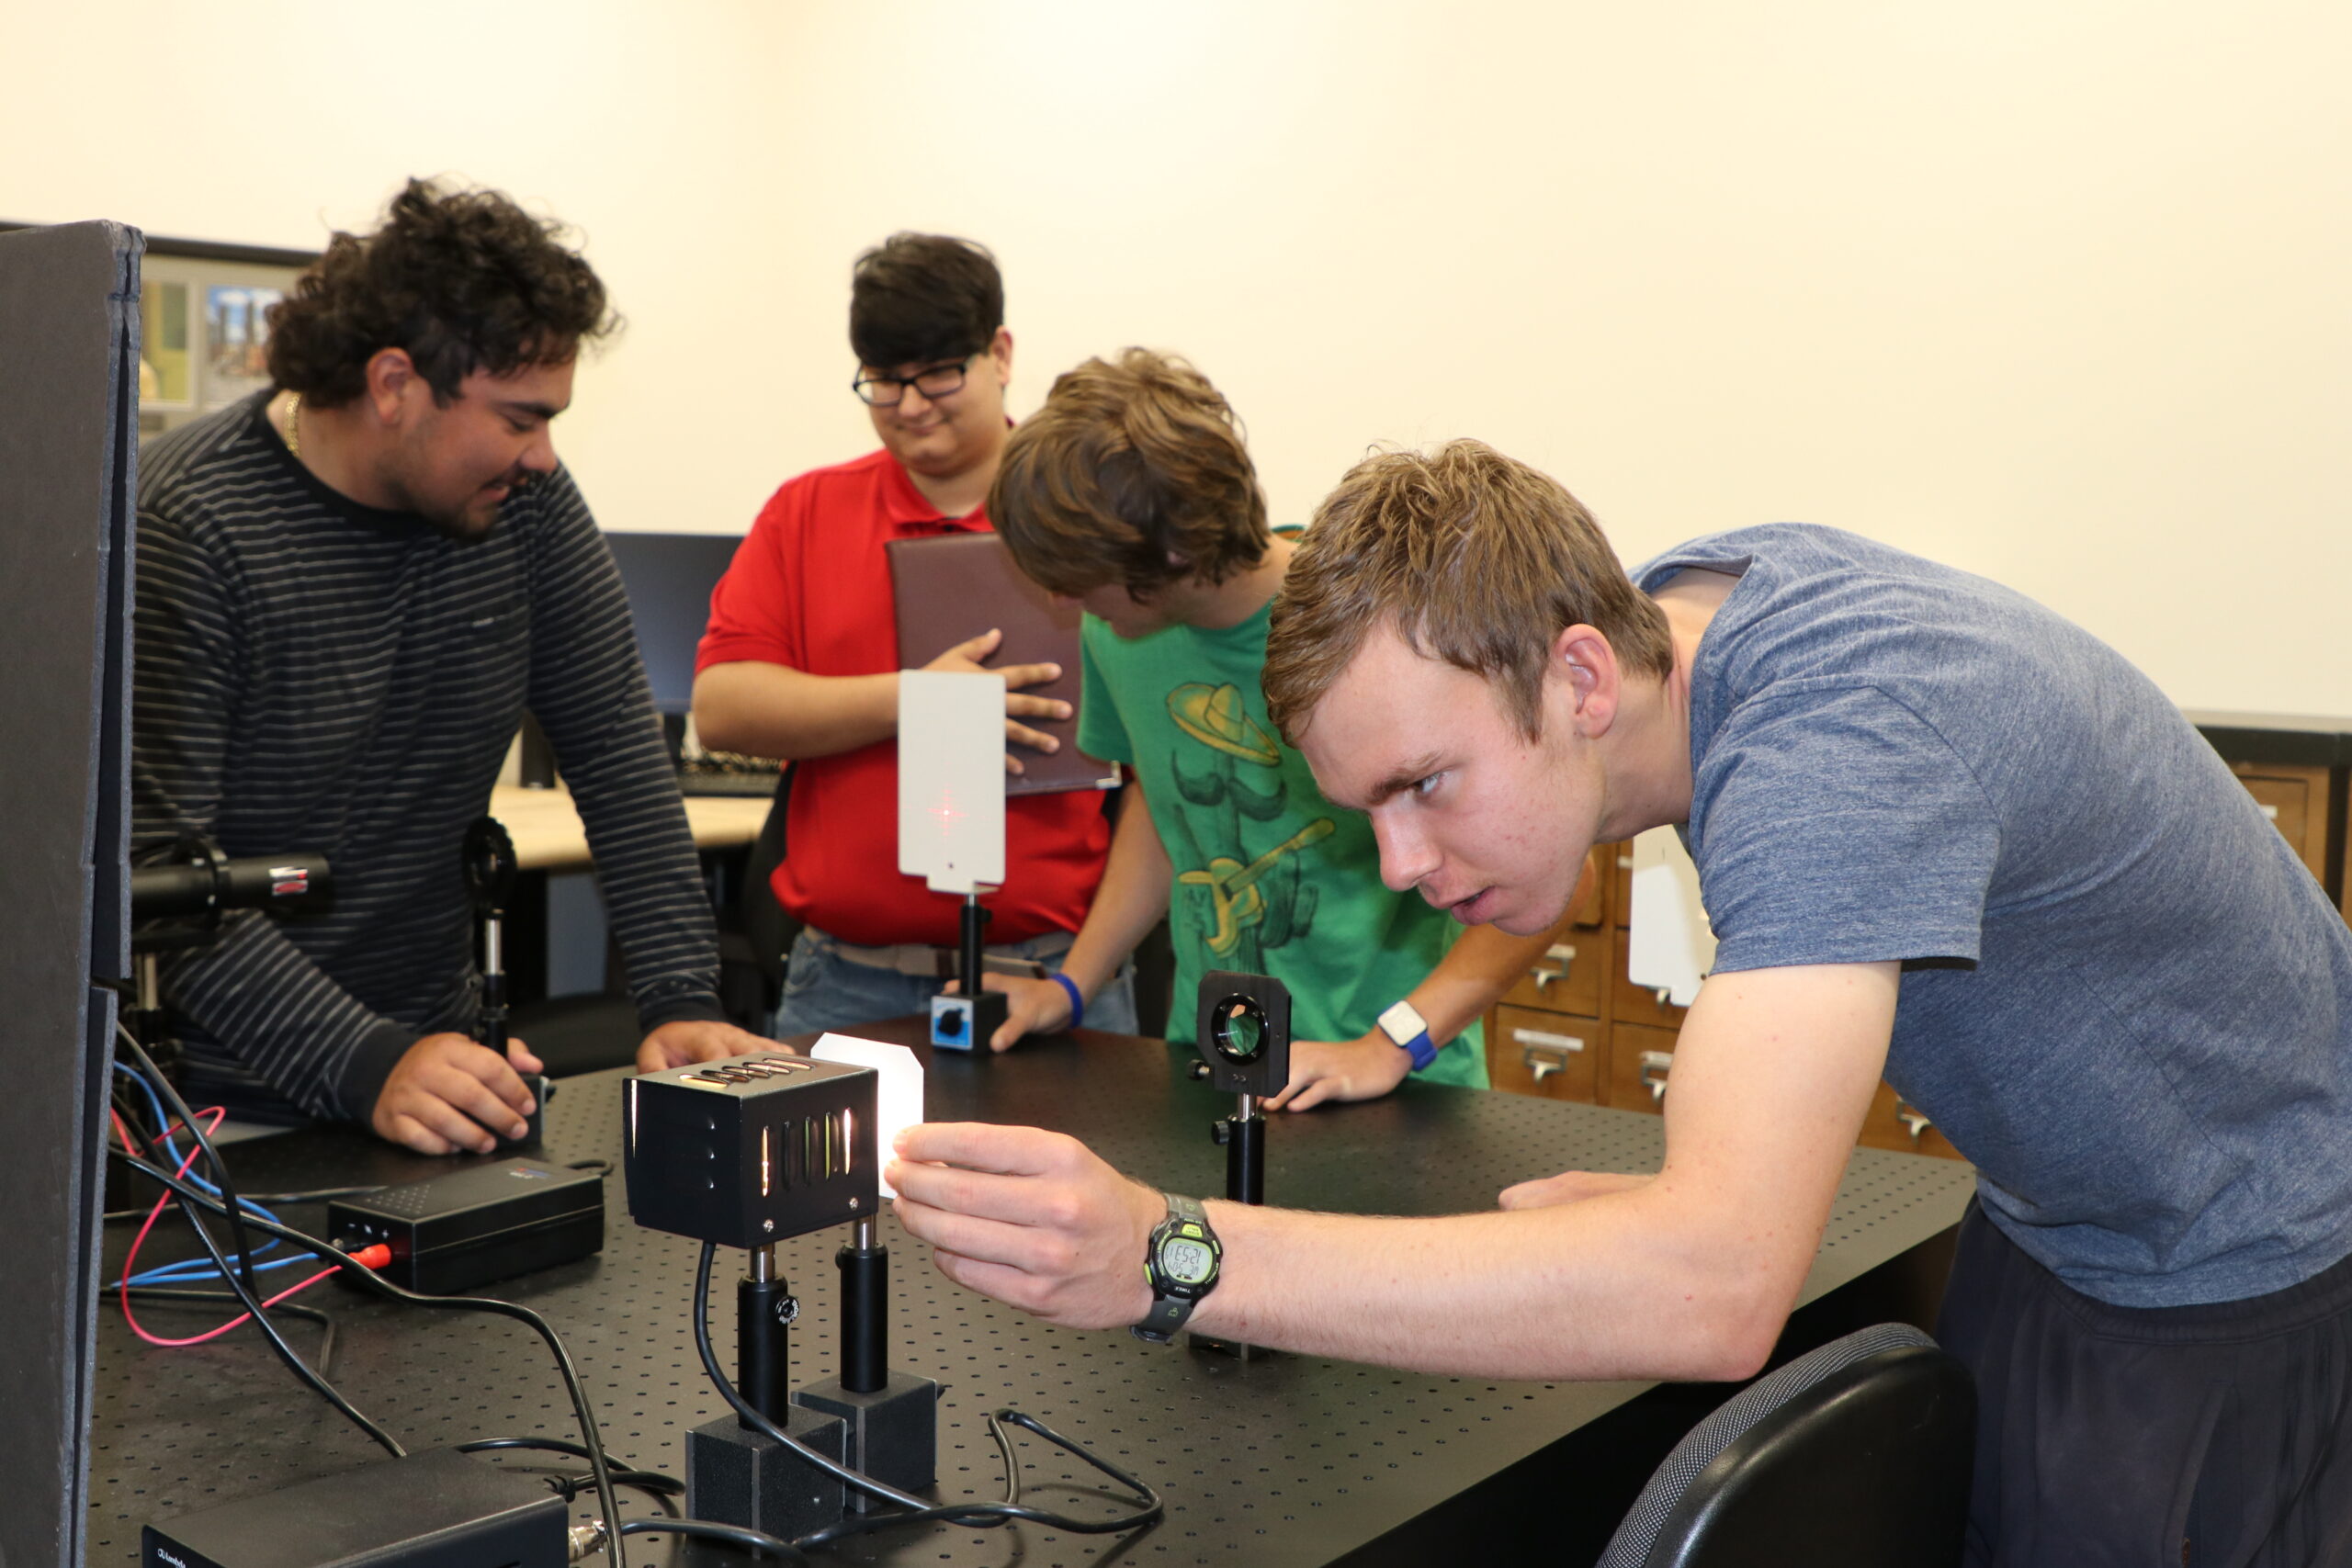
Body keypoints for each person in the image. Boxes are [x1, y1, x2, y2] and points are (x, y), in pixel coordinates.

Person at [888, 440, 2352, 1564]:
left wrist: (1173, 1252)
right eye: (1368, 809)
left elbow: (1714, 1292)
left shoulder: (1831, 745)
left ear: (1579, 673)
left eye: (1423, 784)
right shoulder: (1701, 621)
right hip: (2061, 1220)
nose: (1403, 862)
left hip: (2240, 1265)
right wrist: (1693, 1189)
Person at [133, 179, 776, 1157]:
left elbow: (615, 752)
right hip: (232, 1113)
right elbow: (160, 877)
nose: (546, 457)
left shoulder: (523, 510)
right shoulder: (187, 526)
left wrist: (679, 997)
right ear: (395, 385)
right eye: (520, 419)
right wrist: (366, 1061)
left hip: (435, 1069)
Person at [980, 349, 1563, 1104]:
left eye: (1077, 574)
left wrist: (1391, 1045)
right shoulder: (1115, 634)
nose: (1060, 598)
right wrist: (1073, 983)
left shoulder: (1375, 634)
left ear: (1171, 554)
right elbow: (1163, 810)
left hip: (1400, 1080)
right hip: (1211, 1060)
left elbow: (1552, 869)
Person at [692, 234, 1126, 1038]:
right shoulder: (805, 513)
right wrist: (918, 700)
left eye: (938, 373)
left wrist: (1077, 980)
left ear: (1000, 352)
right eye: (886, 381)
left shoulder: (1088, 509)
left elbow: (1155, 770)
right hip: (848, 978)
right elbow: (720, 706)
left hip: (1057, 975)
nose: (913, 404)